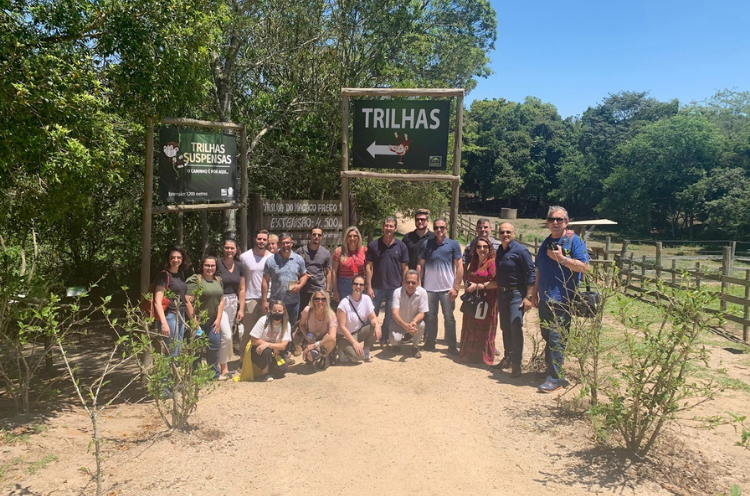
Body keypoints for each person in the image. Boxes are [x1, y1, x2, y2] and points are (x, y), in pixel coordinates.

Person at [529, 206, 590, 393]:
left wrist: (562, 259)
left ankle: (555, 377)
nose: (555, 222)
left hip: (563, 299)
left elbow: (585, 267)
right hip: (545, 297)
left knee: (557, 338)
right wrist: (534, 293)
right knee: (548, 336)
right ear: (547, 222)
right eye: (551, 219)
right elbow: (539, 269)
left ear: (566, 222)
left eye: (559, 219)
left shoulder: (574, 241)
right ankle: (551, 370)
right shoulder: (546, 242)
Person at [491, 223, 535, 377]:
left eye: (508, 232)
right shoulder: (500, 251)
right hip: (502, 293)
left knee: (515, 325)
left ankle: (517, 364)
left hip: (517, 293)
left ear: (514, 233)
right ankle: (507, 358)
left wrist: (528, 297)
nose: (505, 235)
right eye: (502, 232)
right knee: (505, 327)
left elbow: (531, 273)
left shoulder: (521, 250)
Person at [418, 218, 463, 354]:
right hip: (429, 289)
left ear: (446, 229)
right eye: (436, 228)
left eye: (442, 228)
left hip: (447, 289)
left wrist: (455, 287)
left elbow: (459, 266)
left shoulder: (453, 244)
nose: (439, 230)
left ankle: (451, 345)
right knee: (430, 317)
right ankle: (430, 342)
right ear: (433, 228)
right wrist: (419, 286)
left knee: (449, 317)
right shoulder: (427, 244)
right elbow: (420, 265)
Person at [365, 216, 408, 346]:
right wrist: (369, 286)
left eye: (391, 226)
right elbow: (368, 266)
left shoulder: (401, 246)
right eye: (386, 226)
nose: (388, 228)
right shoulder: (373, 245)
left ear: (395, 228)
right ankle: (369, 339)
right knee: (372, 314)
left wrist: (403, 285)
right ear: (382, 227)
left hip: (394, 288)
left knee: (390, 316)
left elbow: (404, 267)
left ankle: (384, 338)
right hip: (377, 286)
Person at [459, 237, 499, 364]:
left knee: (485, 326)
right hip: (474, 299)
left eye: (485, 247)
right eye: (478, 247)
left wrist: (479, 286)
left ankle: (484, 356)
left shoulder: (492, 262)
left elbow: (496, 282)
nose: (482, 249)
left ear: (489, 248)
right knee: (471, 324)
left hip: (488, 299)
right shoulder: (474, 262)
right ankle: (470, 354)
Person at [186, 255, 225, 379]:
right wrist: (194, 322)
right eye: (207, 265)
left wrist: (218, 320)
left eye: (212, 265)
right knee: (197, 348)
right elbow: (188, 301)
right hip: (198, 320)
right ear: (202, 266)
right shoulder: (195, 280)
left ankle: (213, 374)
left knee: (214, 346)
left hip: (213, 320)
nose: (210, 268)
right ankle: (195, 375)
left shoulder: (218, 280)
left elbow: (221, 300)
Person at [154, 245, 195, 357]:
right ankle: (168, 375)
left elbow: (183, 297)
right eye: (172, 257)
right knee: (172, 351)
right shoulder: (164, 275)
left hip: (180, 314)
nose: (175, 260)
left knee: (178, 348)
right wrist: (164, 323)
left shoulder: (180, 274)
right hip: (169, 315)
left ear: (182, 259)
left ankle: (173, 374)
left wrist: (192, 317)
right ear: (168, 259)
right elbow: (157, 301)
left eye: (178, 257)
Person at [239, 230, 272, 366]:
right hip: (250, 298)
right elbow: (241, 280)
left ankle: (260, 361)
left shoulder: (272, 257)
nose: (262, 242)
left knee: (265, 331)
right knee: (248, 331)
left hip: (268, 298)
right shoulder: (244, 257)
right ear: (254, 239)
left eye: (264, 239)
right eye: (259, 239)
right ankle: (243, 360)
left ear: (268, 241)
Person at [262, 233, 308, 326]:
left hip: (293, 302)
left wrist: (300, 285)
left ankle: (289, 341)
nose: (286, 245)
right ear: (279, 244)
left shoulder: (298, 259)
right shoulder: (271, 260)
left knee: (291, 328)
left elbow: (304, 275)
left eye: (288, 243)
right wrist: (264, 301)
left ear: (292, 243)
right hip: (276, 303)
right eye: (283, 243)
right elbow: (265, 281)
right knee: (274, 327)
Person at [215, 237, 245, 379]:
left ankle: (221, 366)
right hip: (219, 301)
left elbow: (242, 289)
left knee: (226, 336)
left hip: (233, 301)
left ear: (236, 249)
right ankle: (223, 368)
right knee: (226, 336)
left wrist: (241, 308)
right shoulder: (216, 263)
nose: (229, 250)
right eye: (227, 247)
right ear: (223, 248)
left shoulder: (239, 266)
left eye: (232, 248)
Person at [336, 275, 381, 362]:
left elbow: (373, 317)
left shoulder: (366, 299)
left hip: (358, 333)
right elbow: (342, 327)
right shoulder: (344, 303)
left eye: (361, 285)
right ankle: (343, 350)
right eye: (356, 284)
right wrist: (354, 343)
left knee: (374, 327)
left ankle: (366, 349)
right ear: (352, 286)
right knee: (358, 357)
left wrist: (378, 325)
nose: (358, 286)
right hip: (345, 336)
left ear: (364, 287)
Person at [389, 270, 428, 359]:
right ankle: (396, 345)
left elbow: (422, 313)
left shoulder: (423, 292)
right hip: (398, 322)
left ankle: (415, 347)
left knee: (421, 325)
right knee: (394, 340)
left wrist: (414, 322)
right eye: (408, 282)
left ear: (417, 283)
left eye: (413, 282)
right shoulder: (397, 292)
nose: (410, 285)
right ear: (403, 282)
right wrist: (405, 325)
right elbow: (395, 313)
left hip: (413, 323)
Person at [249, 301, 291, 381]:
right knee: (266, 350)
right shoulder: (263, 320)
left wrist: (269, 345)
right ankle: (265, 373)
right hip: (259, 350)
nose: (277, 313)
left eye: (279, 311)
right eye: (274, 311)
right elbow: (254, 340)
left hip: (276, 351)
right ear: (270, 310)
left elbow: (283, 345)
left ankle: (271, 369)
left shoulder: (286, 324)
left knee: (282, 370)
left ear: (284, 312)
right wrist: (268, 346)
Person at [296, 290, 337, 366]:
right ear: (313, 300)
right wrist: (306, 335)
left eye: (323, 299)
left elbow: (332, 336)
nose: (320, 302)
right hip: (311, 337)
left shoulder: (331, 315)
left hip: (325, 340)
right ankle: (318, 356)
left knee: (331, 340)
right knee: (310, 356)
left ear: (326, 301)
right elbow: (301, 325)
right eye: (317, 299)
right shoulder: (307, 311)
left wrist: (315, 345)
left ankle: (325, 355)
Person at [297, 227, 332, 309]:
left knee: (319, 313)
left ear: (322, 236)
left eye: (319, 235)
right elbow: (294, 267)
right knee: (303, 314)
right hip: (304, 289)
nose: (316, 236)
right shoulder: (301, 251)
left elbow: (328, 272)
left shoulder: (326, 253)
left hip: (319, 289)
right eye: (314, 234)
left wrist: (327, 291)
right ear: (310, 236)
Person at [332, 226, 367, 303]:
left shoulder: (364, 250)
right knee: (346, 309)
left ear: (358, 237)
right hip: (344, 284)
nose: (352, 238)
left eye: (355, 236)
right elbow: (334, 272)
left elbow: (369, 268)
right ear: (346, 238)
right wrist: (335, 291)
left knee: (359, 309)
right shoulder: (339, 251)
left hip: (359, 284)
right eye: (349, 236)